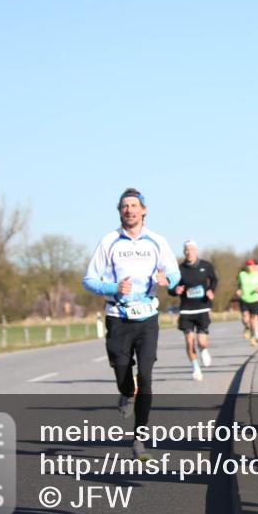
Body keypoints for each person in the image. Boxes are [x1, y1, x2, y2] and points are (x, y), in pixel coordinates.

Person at [82, 188, 181, 460]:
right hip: (118, 317)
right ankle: (126, 392)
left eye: (134, 205)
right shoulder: (109, 241)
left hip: (147, 317)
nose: (129, 210)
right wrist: (114, 287)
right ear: (120, 211)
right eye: (125, 206)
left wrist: (168, 281)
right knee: (123, 374)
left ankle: (140, 439)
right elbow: (88, 280)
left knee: (146, 378)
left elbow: (174, 272)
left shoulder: (157, 241)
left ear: (143, 210)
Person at [168, 240, 217, 381]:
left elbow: (214, 280)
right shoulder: (179, 269)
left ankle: (204, 350)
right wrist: (175, 290)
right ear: (184, 252)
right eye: (186, 250)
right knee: (189, 342)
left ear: (196, 250)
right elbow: (171, 288)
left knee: (202, 342)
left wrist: (211, 290)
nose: (189, 252)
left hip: (202, 308)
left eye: (191, 249)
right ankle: (195, 368)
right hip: (186, 310)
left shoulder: (206, 266)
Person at [236, 259, 258, 346]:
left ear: (254, 266)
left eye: (251, 265)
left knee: (253, 318)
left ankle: (255, 334)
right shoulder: (242, 274)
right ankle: (247, 327)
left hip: (254, 299)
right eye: (248, 265)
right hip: (244, 299)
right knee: (245, 318)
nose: (249, 267)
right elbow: (239, 285)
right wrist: (238, 290)